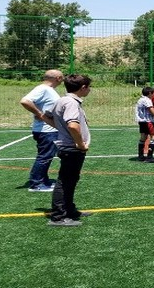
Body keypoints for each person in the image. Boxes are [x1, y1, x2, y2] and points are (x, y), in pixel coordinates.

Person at [45, 74, 93, 227]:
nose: (90, 90)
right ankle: (58, 216)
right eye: (89, 87)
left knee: (70, 180)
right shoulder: (71, 103)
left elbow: (46, 116)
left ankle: (70, 210)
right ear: (83, 87)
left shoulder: (62, 100)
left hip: (69, 147)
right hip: (72, 148)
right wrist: (80, 144)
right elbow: (72, 125)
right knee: (65, 181)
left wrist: (61, 128)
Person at [20, 69, 64, 192]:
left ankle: (43, 180)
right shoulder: (43, 89)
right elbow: (25, 101)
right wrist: (40, 114)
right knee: (45, 156)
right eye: (62, 77)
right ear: (58, 78)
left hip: (49, 129)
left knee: (47, 156)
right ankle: (36, 184)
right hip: (46, 130)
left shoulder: (48, 90)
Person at [135, 87, 154, 163]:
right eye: (153, 93)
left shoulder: (140, 99)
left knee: (143, 137)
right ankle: (149, 157)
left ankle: (140, 156)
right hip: (148, 121)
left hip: (142, 121)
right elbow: (151, 109)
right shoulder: (147, 100)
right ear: (150, 93)